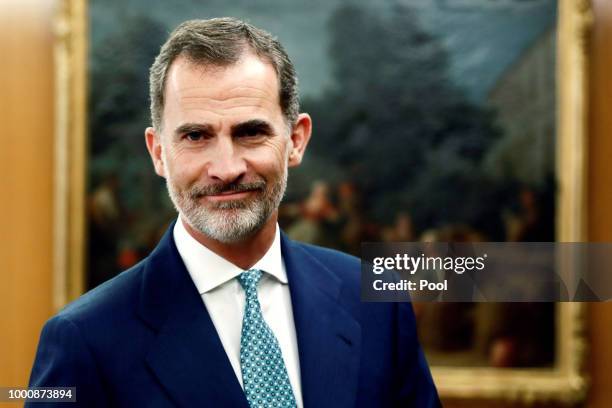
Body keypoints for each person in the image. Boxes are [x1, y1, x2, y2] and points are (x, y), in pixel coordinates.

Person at [28, 18, 440, 407]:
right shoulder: (84, 340)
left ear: (295, 140)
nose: (226, 168)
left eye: (251, 132)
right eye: (195, 135)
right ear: (158, 153)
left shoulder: (375, 302)